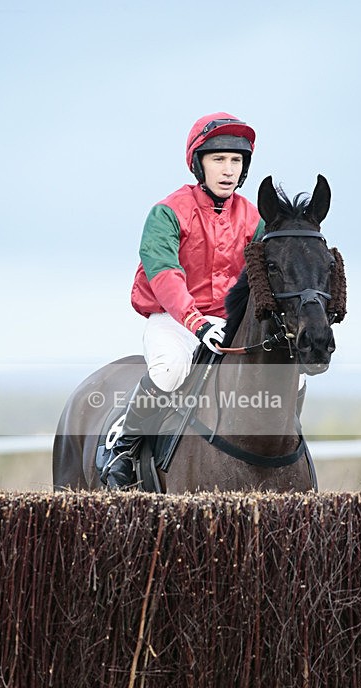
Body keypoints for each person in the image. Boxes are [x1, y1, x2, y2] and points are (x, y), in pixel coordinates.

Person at [103, 113, 265, 489]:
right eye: (218, 160)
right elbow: (164, 276)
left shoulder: (254, 220)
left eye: (236, 161)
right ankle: (124, 450)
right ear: (199, 164)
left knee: (287, 377)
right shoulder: (167, 212)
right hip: (174, 320)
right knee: (171, 369)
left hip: (227, 324)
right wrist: (196, 322)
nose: (228, 170)